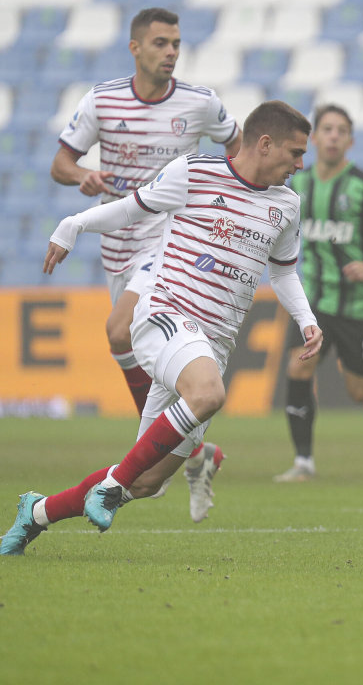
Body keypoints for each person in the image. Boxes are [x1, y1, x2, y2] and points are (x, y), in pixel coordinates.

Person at [1, 101, 322, 555]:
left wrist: (307, 321)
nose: (300, 164)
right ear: (265, 143)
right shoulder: (193, 172)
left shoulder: (287, 204)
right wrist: (72, 225)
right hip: (165, 314)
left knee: (149, 481)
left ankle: (36, 512)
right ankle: (113, 486)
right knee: (207, 396)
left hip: (213, 343)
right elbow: (129, 210)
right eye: (294, 152)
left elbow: (284, 272)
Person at [49, 6, 242, 523]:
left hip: (170, 246)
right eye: (160, 43)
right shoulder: (103, 100)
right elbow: (60, 162)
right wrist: (82, 176)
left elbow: (239, 149)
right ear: (135, 48)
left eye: (176, 43)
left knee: (118, 333)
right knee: (138, 354)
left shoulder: (201, 104)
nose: (171, 53)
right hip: (118, 245)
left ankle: (159, 454)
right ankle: (194, 451)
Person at [275, 104, 363, 483]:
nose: (334, 136)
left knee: (361, 391)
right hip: (315, 302)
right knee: (297, 367)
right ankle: (303, 461)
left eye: (341, 130)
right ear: (314, 138)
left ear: (350, 141)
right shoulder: (297, 184)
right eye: (327, 129)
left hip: (356, 304)